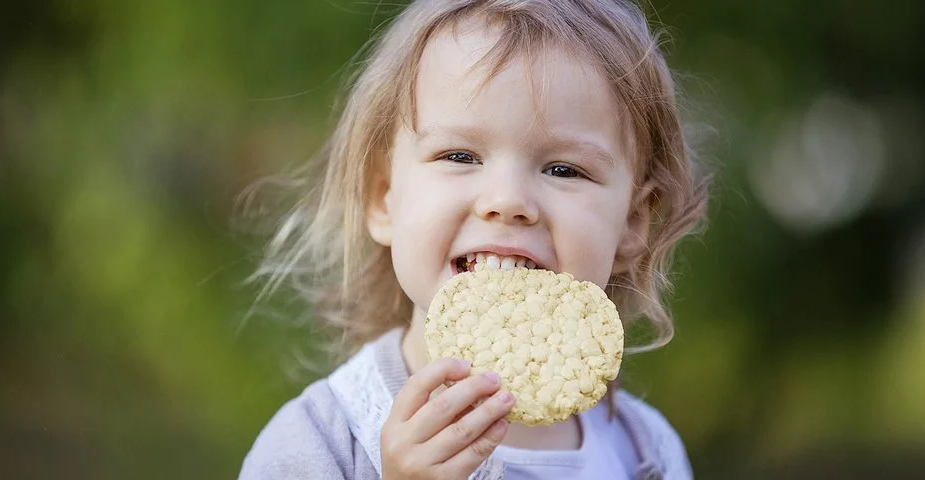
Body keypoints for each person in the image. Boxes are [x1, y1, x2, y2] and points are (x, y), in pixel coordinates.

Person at [239, 0, 710, 478]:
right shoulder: (318, 444)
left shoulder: (647, 453)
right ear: (383, 196)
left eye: (564, 169)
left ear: (632, 223)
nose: (508, 200)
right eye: (459, 156)